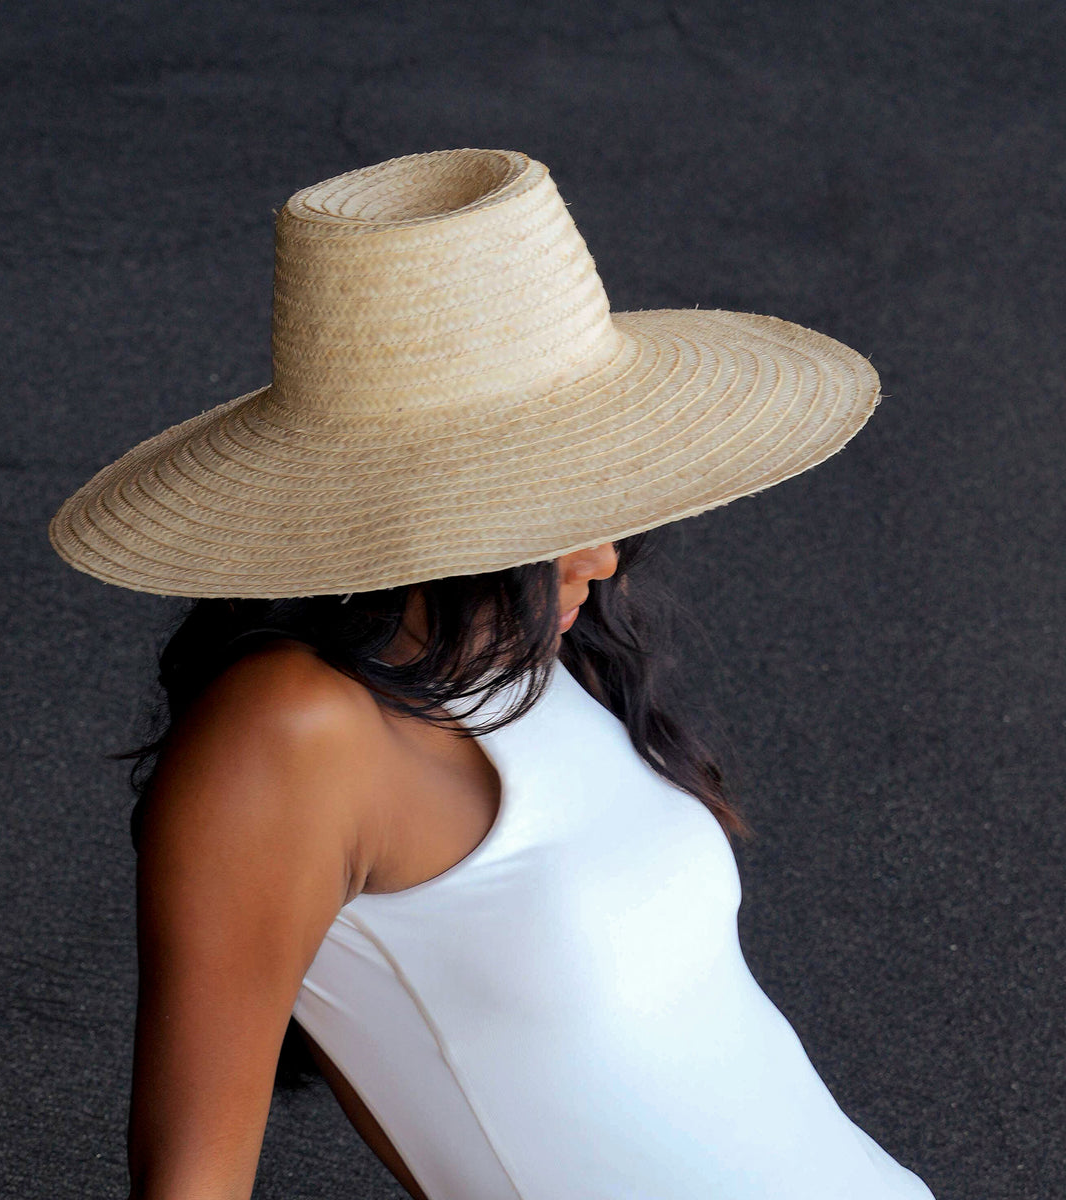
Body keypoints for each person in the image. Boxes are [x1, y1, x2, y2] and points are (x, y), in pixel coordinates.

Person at [49, 148, 936, 1200]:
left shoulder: (540, 659)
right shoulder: (289, 733)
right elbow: (191, 1180)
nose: (602, 557)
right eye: (549, 496)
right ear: (421, 503)